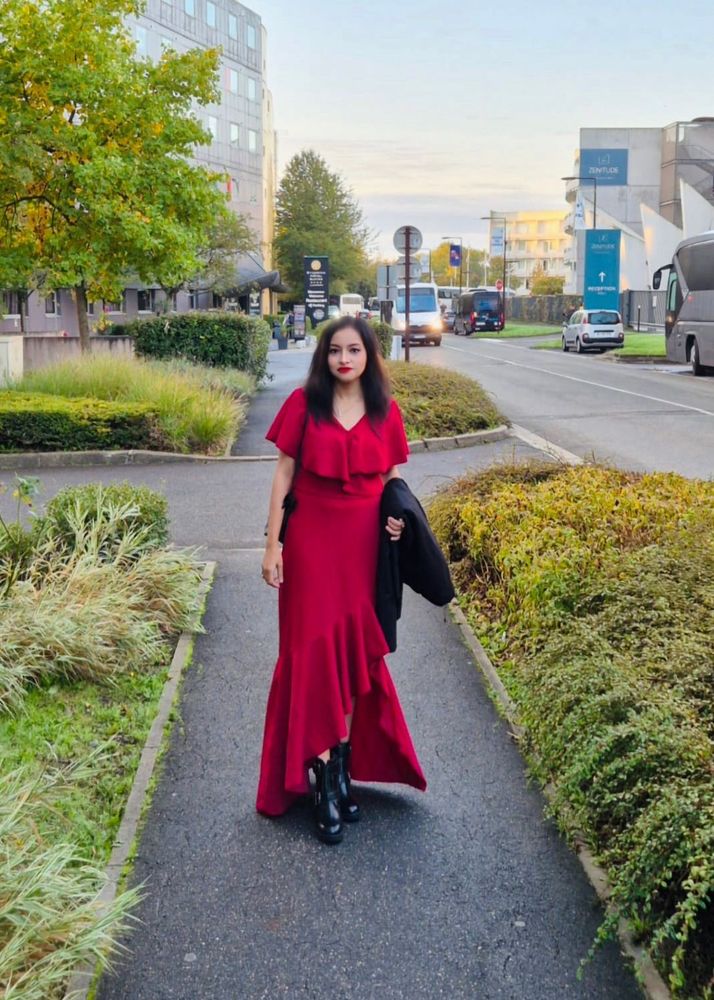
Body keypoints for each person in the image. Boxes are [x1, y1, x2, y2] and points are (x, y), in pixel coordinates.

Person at [258, 316, 426, 844]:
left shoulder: (385, 410)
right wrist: (272, 545)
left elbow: (392, 477)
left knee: (353, 655)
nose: (344, 359)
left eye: (354, 350)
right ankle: (322, 780)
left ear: (369, 356)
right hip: (311, 545)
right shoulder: (302, 405)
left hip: (363, 549)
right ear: (324, 357)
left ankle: (339, 772)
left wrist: (397, 516)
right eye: (335, 350)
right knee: (312, 654)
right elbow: (284, 474)